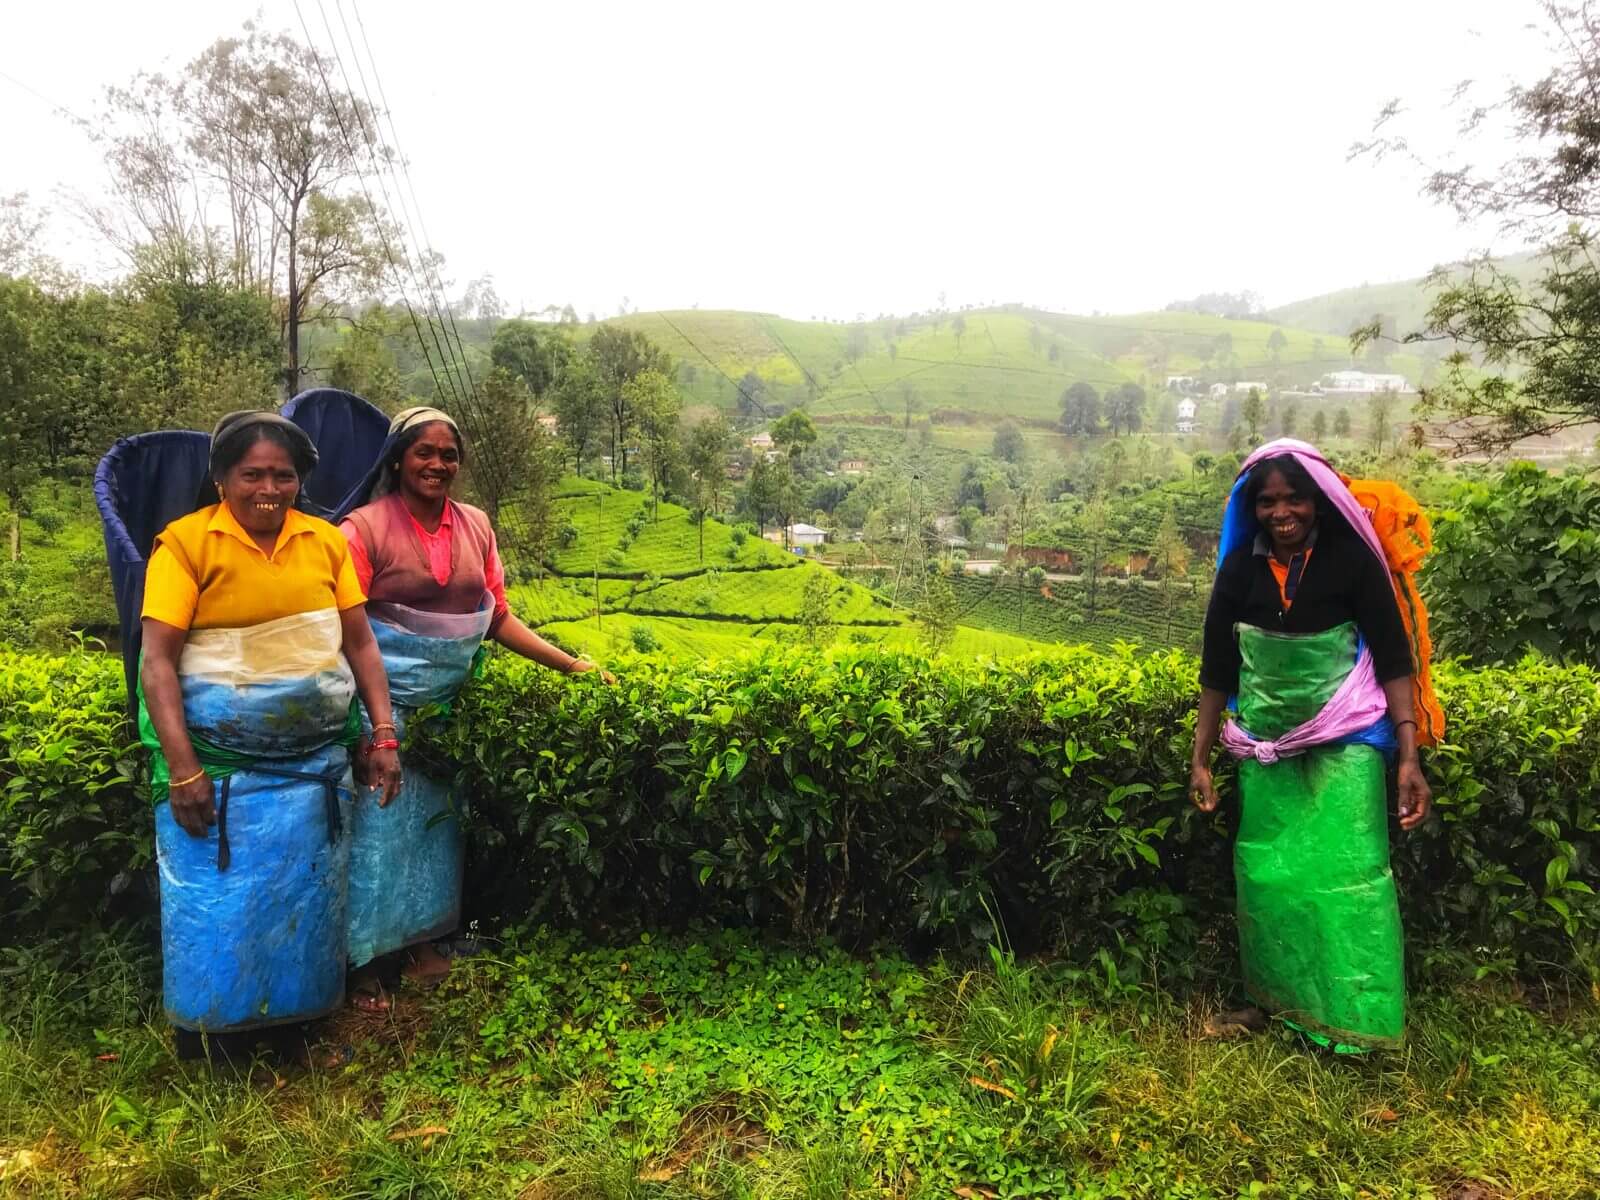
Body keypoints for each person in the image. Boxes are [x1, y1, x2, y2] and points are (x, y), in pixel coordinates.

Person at [140, 411, 401, 1057]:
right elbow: (158, 664)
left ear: (300, 481)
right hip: (217, 772)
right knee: (220, 902)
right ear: (222, 479)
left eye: (283, 475)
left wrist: (385, 735)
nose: (268, 488)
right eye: (251, 474)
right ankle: (214, 1037)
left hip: (315, 769)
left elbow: (361, 645)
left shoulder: (324, 541)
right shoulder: (185, 545)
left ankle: (299, 1022)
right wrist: (185, 770)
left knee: (307, 893)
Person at [338, 406, 612, 1010]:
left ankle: (422, 946)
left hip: (446, 710)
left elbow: (496, 617)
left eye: (449, 455)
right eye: (424, 453)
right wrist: (377, 727)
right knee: (377, 836)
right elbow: (347, 632)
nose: (438, 464)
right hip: (378, 709)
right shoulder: (361, 530)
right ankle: (362, 965)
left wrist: (569, 664)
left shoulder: (477, 527)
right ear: (397, 459)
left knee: (436, 833)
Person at [1189, 439, 1431, 1053]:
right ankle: (1273, 1004)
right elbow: (1218, 668)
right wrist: (1200, 758)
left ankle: (1359, 1022)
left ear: (1319, 501)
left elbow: (1394, 659)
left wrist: (1408, 755)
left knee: (1351, 875)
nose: (1281, 511)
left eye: (1294, 497)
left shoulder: (1352, 560)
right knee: (1268, 875)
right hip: (1266, 747)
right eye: (1268, 501)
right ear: (1255, 509)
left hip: (1345, 740)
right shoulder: (1240, 569)